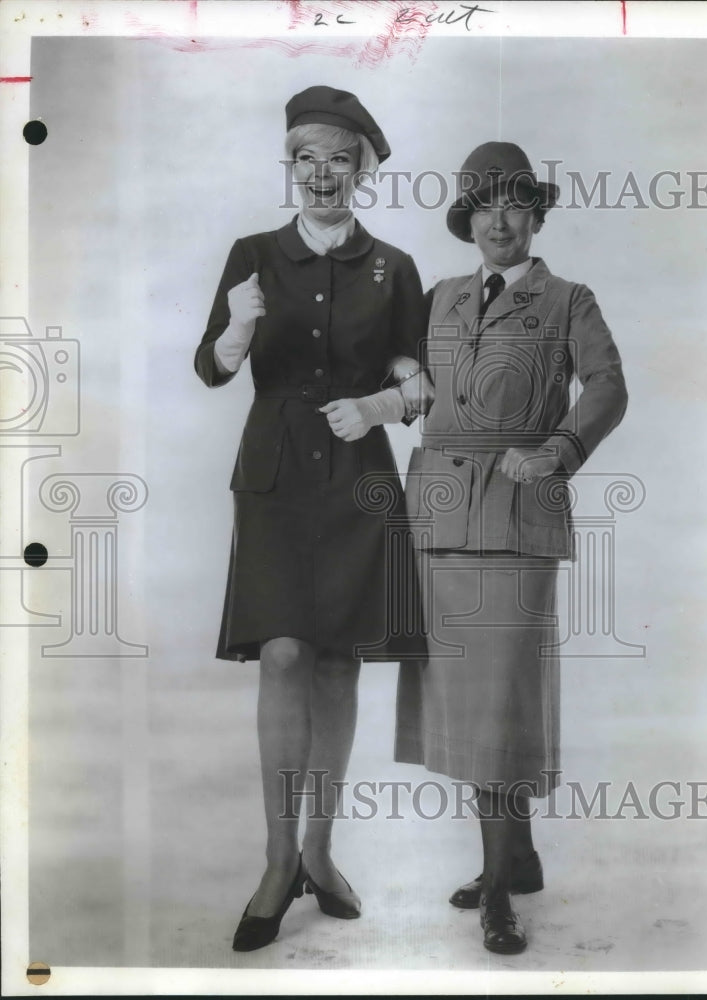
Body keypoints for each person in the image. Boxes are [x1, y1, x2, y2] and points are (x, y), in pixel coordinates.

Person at [194, 85, 430, 952]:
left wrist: (379, 406)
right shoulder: (252, 254)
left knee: (337, 663)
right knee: (285, 652)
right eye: (305, 157)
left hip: (360, 478)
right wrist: (235, 329)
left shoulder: (392, 266)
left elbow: (420, 386)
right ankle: (274, 857)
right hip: (276, 474)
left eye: (339, 157)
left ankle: (320, 856)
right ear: (287, 167)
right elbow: (210, 368)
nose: (322, 173)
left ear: (362, 168)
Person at [395, 142, 628, 954]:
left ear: (535, 215)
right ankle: (516, 856)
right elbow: (400, 372)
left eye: (515, 204)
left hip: (517, 513)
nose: (500, 219)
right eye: (485, 204)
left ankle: (496, 891)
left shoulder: (568, 300)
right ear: (469, 219)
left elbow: (607, 384)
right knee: (473, 709)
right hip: (438, 521)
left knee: (497, 705)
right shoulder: (437, 298)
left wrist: (557, 450)